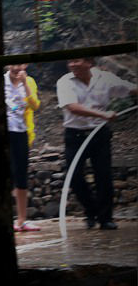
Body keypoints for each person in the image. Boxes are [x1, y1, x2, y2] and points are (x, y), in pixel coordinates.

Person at [55, 57, 136, 230]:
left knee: (103, 176)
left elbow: (130, 89)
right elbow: (73, 107)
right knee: (74, 176)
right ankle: (91, 210)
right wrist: (103, 115)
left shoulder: (104, 78)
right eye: (70, 61)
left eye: (77, 60)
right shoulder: (64, 81)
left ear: (89, 62)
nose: (72, 64)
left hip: (99, 134)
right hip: (75, 135)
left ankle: (105, 218)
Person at [5, 64, 41, 232]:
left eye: (20, 64)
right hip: (3, 133)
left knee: (21, 177)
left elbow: (35, 106)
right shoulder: (0, 81)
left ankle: (21, 220)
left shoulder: (30, 81)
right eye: (13, 64)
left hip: (21, 132)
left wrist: (25, 84)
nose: (16, 68)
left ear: (25, 65)